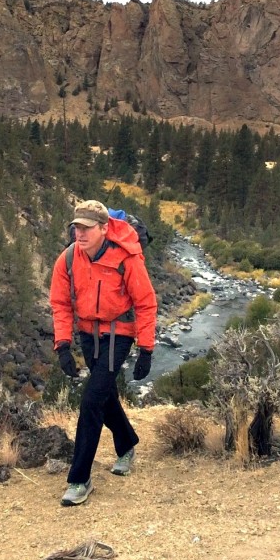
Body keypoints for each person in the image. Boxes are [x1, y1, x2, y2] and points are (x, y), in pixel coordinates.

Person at [49, 199, 157, 506]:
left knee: (91, 399)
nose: (79, 234)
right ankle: (127, 445)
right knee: (105, 394)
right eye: (76, 228)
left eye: (86, 228)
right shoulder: (68, 259)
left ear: (104, 229)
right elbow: (60, 303)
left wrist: (146, 348)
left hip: (118, 334)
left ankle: (79, 479)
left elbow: (146, 303)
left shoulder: (126, 257)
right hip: (88, 333)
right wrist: (62, 345)